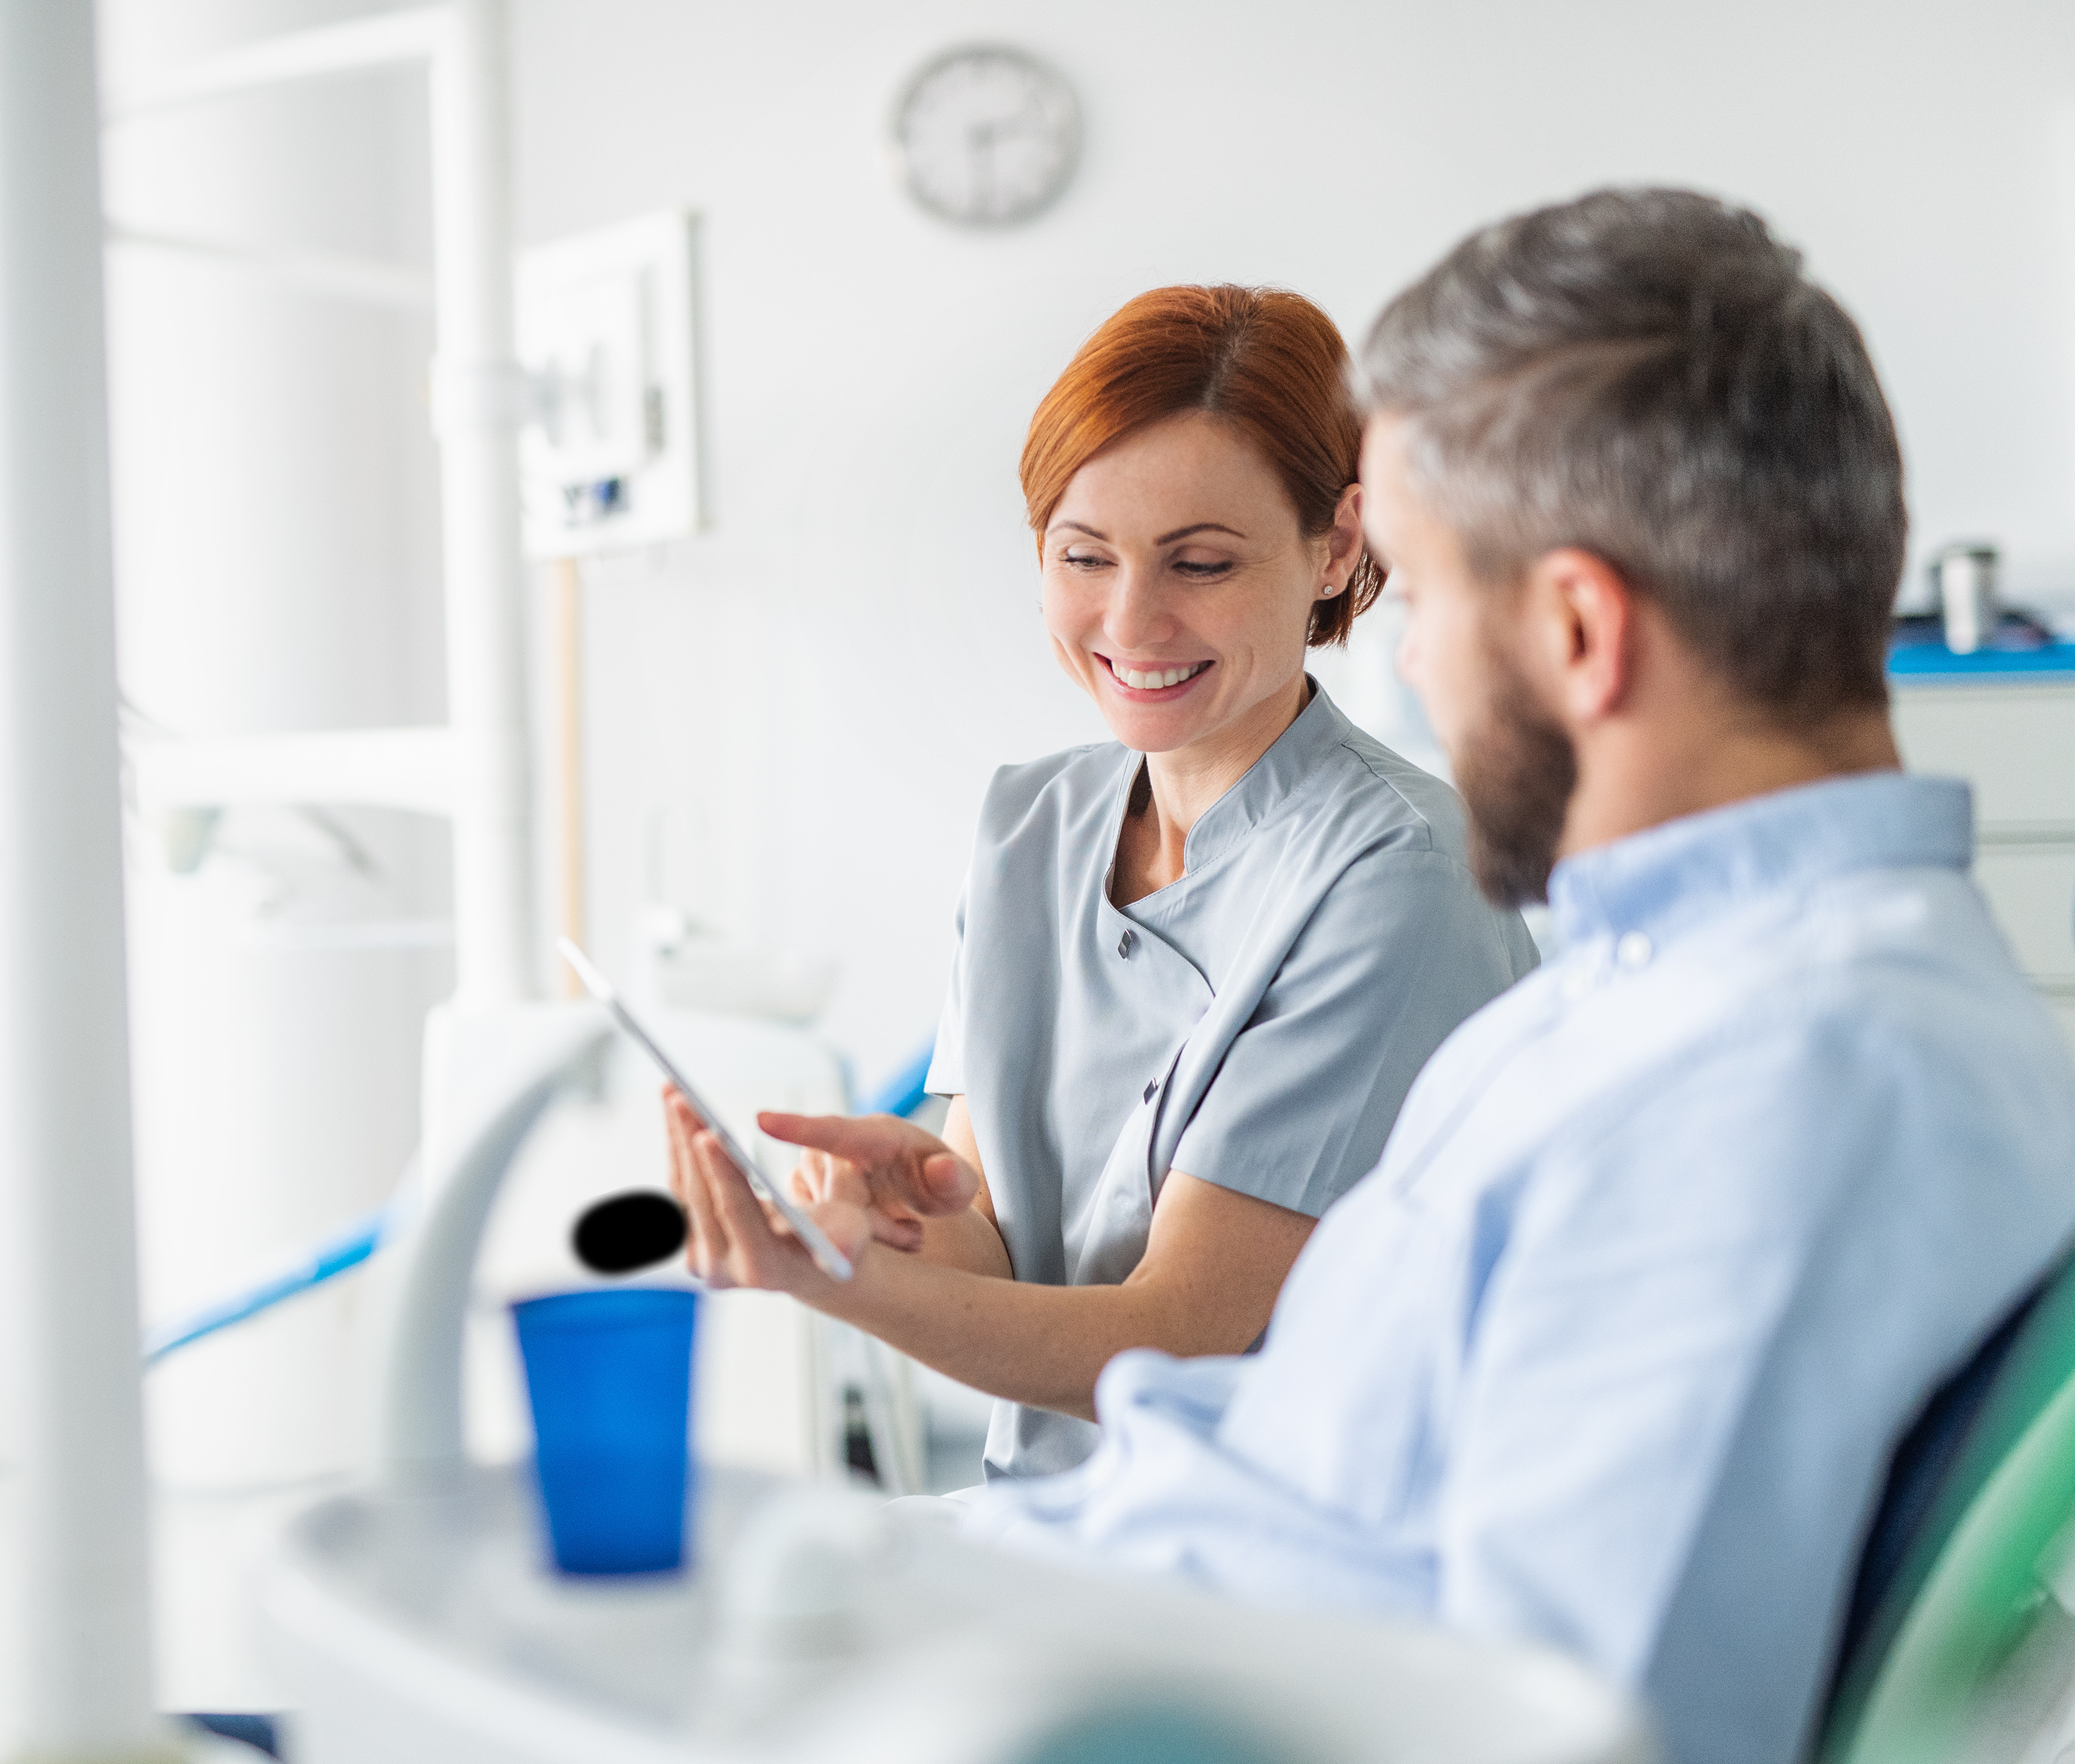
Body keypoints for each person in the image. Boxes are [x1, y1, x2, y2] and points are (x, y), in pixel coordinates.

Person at [964, 191, 2070, 1763]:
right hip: (1100, 1611)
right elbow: (1294, 1452)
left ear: (1575, 629)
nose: (1405, 657)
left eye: (1416, 588)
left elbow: (1563, 1723)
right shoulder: (1648, 986)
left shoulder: (1789, 1078)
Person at [665, 284, 1537, 1480]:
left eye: (1202, 562)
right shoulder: (1031, 824)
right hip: (1061, 1532)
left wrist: (844, 1284)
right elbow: (1002, 1257)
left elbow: (1172, 1340)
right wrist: (905, 1222)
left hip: (1282, 1571)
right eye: (1085, 556)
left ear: (1337, 547)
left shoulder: (1399, 874)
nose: (1133, 621)